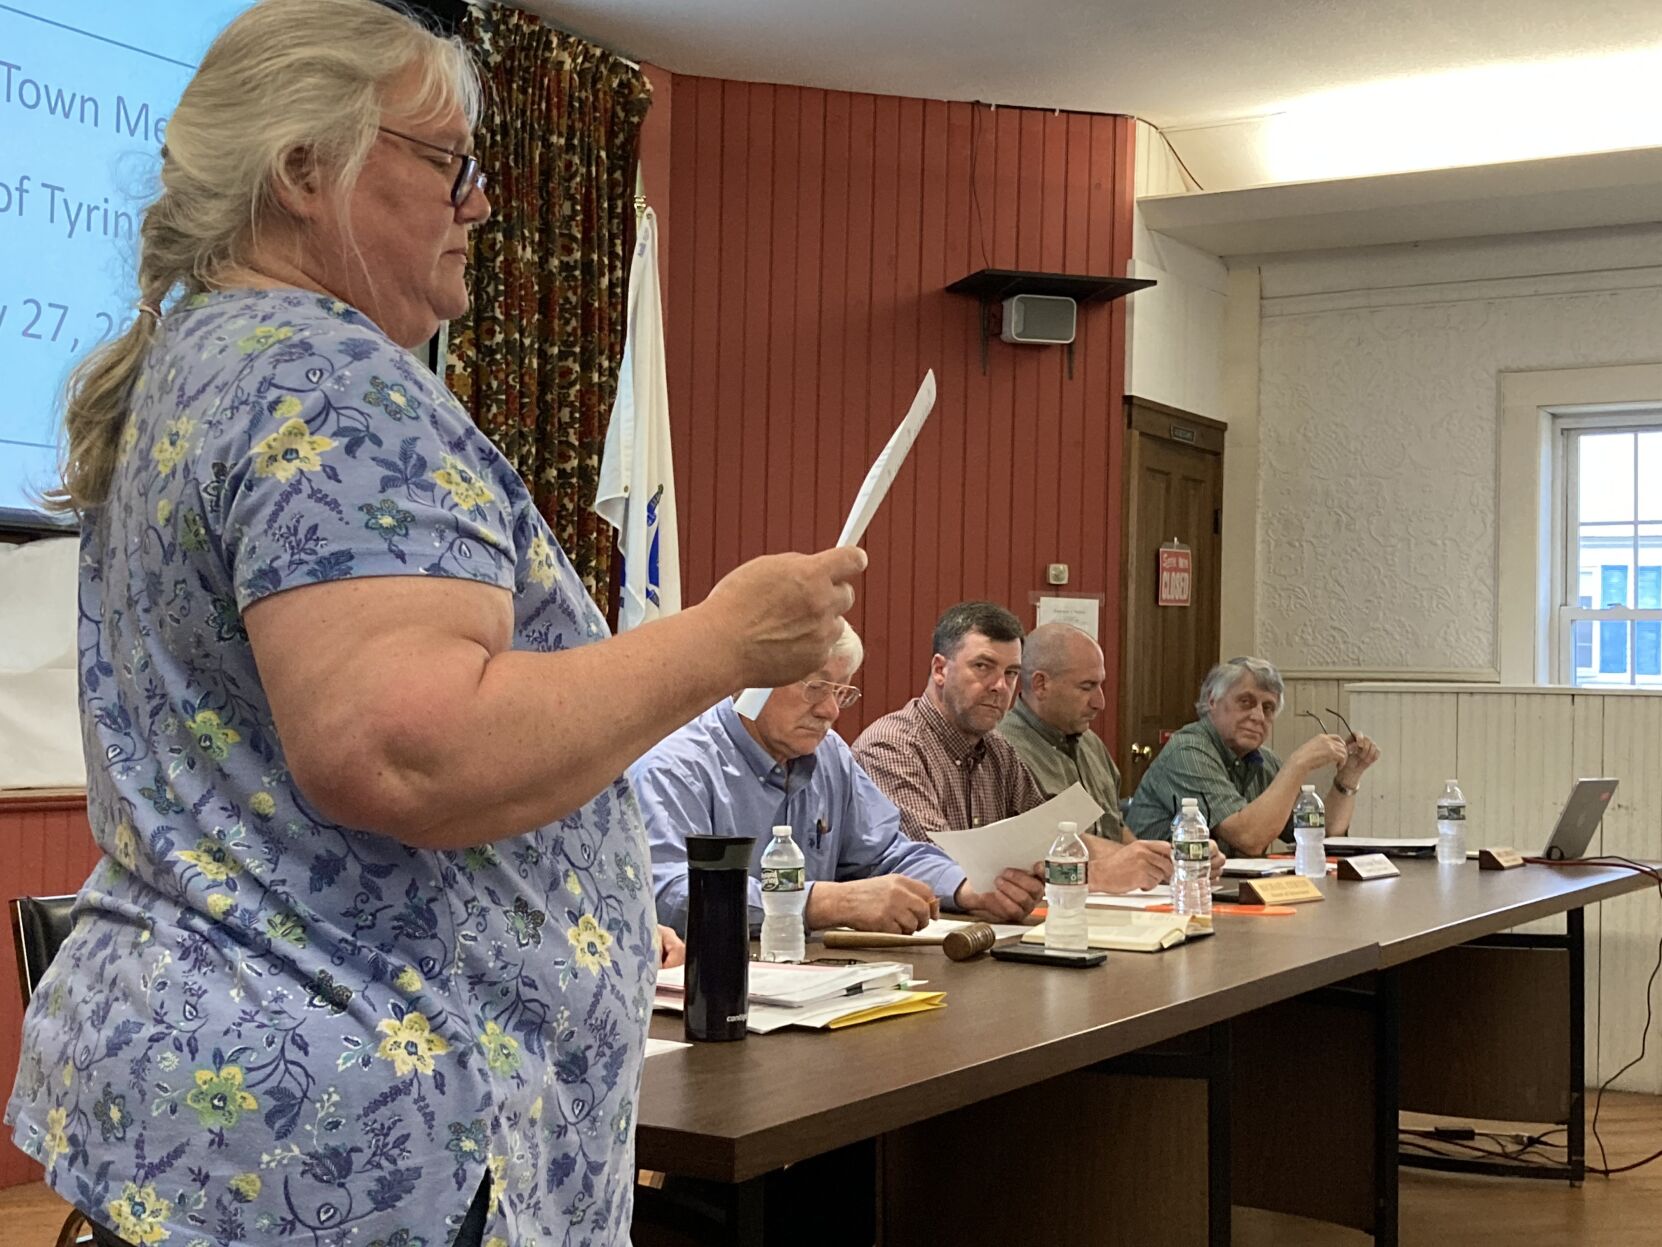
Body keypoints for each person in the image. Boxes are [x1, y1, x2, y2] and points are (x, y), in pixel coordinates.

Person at [4, 5, 861, 1247]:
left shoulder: (205, 361)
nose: (481, 201)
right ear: (306, 172)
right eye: (447, 162)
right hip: (364, 1148)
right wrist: (725, 640)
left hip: (236, 1125)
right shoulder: (326, 375)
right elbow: (408, 747)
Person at [634, 622, 1043, 936]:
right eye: (815, 688)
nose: (831, 710)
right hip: (709, 993)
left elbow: (885, 855)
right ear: (751, 682)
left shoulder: (829, 754)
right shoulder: (675, 766)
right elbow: (669, 897)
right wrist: (823, 902)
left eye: (843, 692)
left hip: (814, 986)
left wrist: (967, 888)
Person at [854, 602, 1179, 893]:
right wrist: (1095, 875)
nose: (1000, 686)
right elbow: (934, 866)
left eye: (1011, 673)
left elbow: (1054, 837)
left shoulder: (998, 750)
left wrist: (1154, 862)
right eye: (982, 666)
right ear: (940, 670)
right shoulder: (893, 747)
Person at [1126, 657, 1382, 856]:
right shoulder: (1188, 751)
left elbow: (1320, 836)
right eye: (1246, 702)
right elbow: (1249, 838)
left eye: (1268, 708)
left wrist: (1348, 776)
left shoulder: (1263, 760)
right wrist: (1298, 764)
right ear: (1213, 702)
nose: (1258, 716)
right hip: (1163, 893)